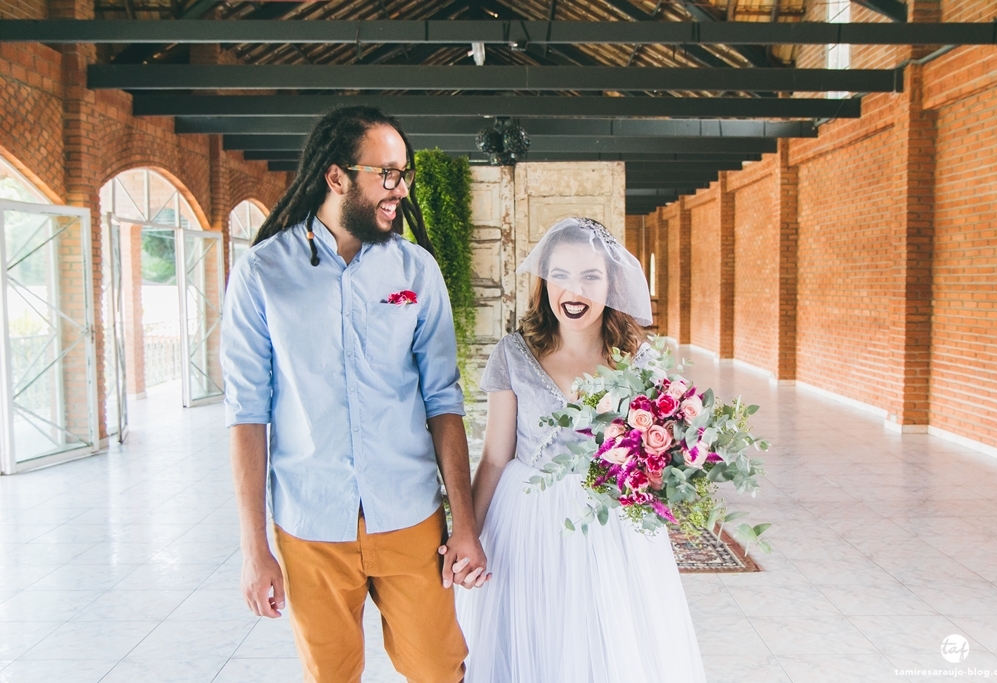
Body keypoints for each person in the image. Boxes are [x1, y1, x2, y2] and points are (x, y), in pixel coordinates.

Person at [221, 106, 486, 683]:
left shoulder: (418, 272)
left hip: (410, 515)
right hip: (309, 521)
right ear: (336, 175)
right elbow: (247, 414)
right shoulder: (261, 273)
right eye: (386, 173)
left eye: (405, 173)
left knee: (439, 668)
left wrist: (463, 524)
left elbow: (445, 402)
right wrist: (253, 549)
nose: (400, 188)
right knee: (330, 674)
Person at [454, 217, 707, 683]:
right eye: (561, 276)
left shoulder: (638, 359)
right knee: (534, 639)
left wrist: (660, 474)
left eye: (590, 276)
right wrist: (467, 533)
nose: (574, 290)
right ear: (545, 280)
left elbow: (660, 458)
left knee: (607, 642)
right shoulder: (514, 353)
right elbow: (494, 457)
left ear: (612, 283)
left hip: (609, 525)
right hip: (526, 521)